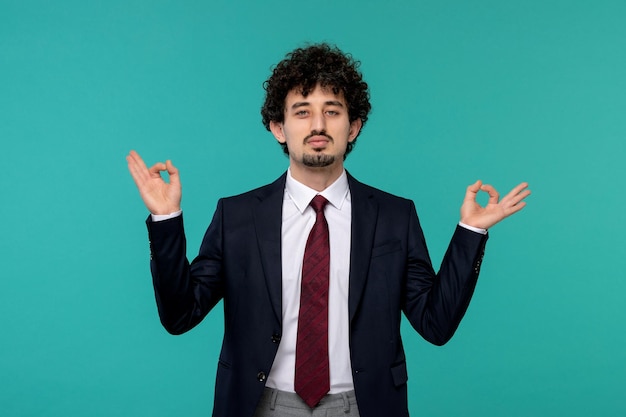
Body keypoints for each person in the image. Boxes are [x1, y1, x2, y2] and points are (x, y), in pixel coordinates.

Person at [126, 43, 530, 417]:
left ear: (353, 126)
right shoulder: (237, 216)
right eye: (302, 110)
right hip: (261, 404)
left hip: (363, 405)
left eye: (332, 111)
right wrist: (166, 221)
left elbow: (436, 324)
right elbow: (180, 315)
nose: (318, 124)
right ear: (278, 128)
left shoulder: (395, 216)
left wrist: (470, 232)